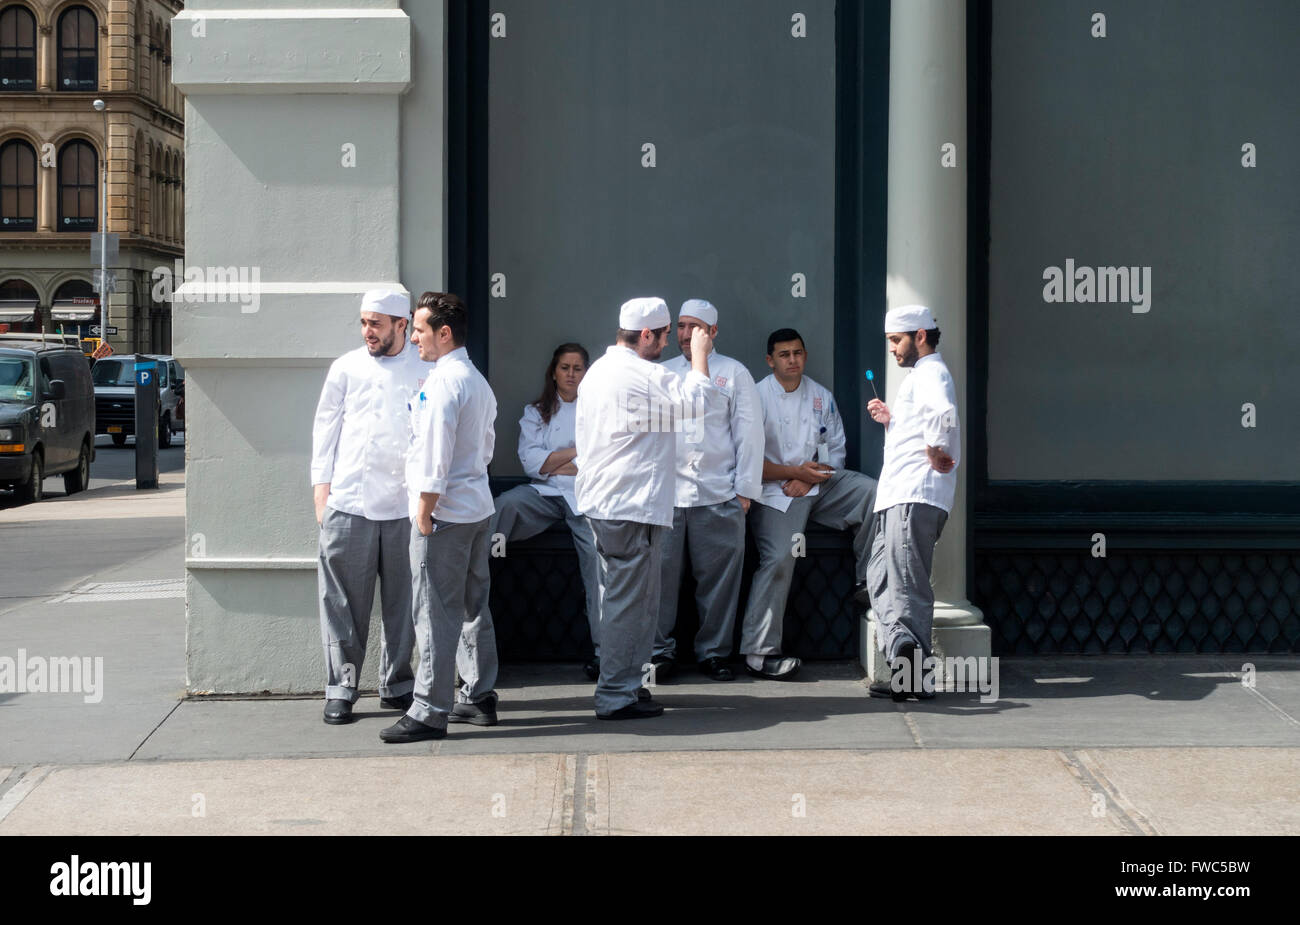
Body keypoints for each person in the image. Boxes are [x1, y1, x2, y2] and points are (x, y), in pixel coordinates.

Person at [575, 297, 717, 719]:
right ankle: (616, 694)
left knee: (633, 603)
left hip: (614, 501)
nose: (672, 341)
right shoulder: (638, 374)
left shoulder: (602, 371)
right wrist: (700, 357)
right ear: (647, 335)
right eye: (667, 333)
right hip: (628, 504)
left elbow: (659, 421)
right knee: (626, 603)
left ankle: (629, 686)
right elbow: (698, 406)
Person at [381, 292, 499, 743]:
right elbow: (484, 448)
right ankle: (479, 695)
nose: (413, 339)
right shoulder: (475, 380)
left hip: (444, 513)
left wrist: (425, 512)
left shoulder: (443, 384)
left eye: (419, 330)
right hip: (475, 508)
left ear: (444, 334)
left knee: (433, 611)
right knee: (472, 607)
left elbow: (434, 456)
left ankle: (430, 709)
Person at [310, 289, 430, 725]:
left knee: (405, 602)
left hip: (406, 505)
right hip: (349, 501)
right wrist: (321, 494)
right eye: (364, 322)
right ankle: (341, 688)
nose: (367, 332)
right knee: (342, 603)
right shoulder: (345, 367)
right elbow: (324, 431)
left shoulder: (427, 367)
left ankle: (397, 684)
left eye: (376, 323)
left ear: (403, 324)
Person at [739, 328, 878, 680]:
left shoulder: (820, 396)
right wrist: (793, 474)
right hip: (774, 492)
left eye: (797, 353)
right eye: (784, 355)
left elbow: (835, 452)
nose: (792, 360)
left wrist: (811, 476)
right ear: (770, 360)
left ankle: (867, 581)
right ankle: (759, 653)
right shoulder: (755, 397)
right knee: (780, 558)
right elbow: (747, 462)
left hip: (818, 485)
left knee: (872, 493)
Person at [653, 300, 764, 682]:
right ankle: (658, 653)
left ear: (713, 332)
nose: (685, 334)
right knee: (660, 581)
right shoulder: (663, 372)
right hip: (667, 498)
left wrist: (744, 492)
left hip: (719, 494)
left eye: (695, 327)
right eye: (681, 326)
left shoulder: (734, 373)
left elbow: (749, 434)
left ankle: (714, 653)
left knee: (719, 585)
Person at [490, 343, 605, 679]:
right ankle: (474, 583)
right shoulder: (536, 411)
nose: (571, 374)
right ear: (554, 371)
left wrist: (555, 461)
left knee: (598, 566)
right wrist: (573, 455)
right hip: (545, 494)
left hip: (586, 497)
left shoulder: (596, 411)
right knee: (503, 510)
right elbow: (531, 462)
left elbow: (596, 460)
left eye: (578, 368)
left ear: (587, 373)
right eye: (565, 367)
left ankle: (603, 652)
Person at [864, 305, 960, 700]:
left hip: (914, 494)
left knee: (907, 584)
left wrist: (937, 449)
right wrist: (892, 420)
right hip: (899, 494)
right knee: (879, 574)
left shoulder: (931, 371)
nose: (892, 349)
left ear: (920, 336)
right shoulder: (922, 376)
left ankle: (914, 676)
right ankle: (903, 650)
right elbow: (927, 418)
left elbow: (943, 413)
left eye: (895, 340)